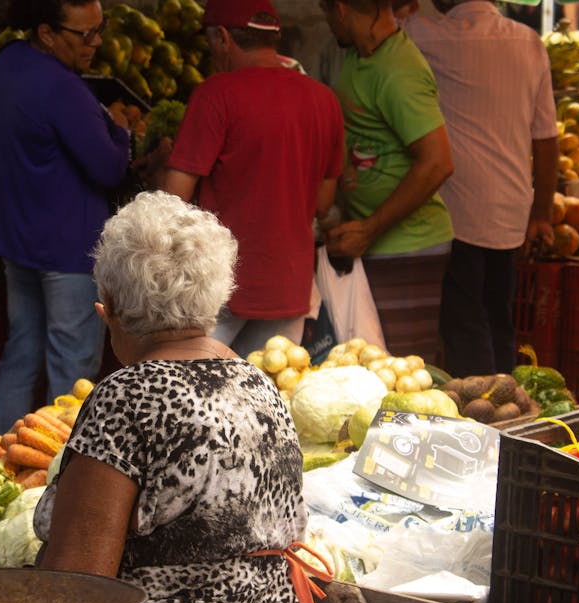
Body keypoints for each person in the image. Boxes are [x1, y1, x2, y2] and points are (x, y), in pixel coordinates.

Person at [36, 191, 328, 603]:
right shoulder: (259, 385)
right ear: (216, 294)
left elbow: (77, 586)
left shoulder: (128, 397)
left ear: (111, 306)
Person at [159, 0, 343, 356]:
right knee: (265, 399)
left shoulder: (216, 94)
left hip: (220, 285)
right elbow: (323, 203)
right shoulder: (325, 100)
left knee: (193, 394)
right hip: (290, 286)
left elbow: (172, 200)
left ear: (223, 38)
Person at [0, 0, 131, 433]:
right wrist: (120, 130)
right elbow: (107, 167)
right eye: (85, 35)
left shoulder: (9, 62)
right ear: (47, 33)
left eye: (99, 30)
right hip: (67, 247)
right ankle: (60, 466)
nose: (96, 43)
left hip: (17, 239)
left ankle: (0, 449)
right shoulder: (62, 88)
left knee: (21, 350)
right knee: (72, 367)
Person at [402, 0, 558, 378]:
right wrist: (541, 214)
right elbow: (547, 139)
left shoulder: (424, 36)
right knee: (499, 319)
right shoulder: (529, 42)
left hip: (460, 213)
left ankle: (481, 419)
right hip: (511, 211)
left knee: (465, 324)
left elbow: (389, 25)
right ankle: (506, 408)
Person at [318, 0, 455, 362]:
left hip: (408, 248)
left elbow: (438, 162)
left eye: (326, 11)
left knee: (402, 373)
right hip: (378, 244)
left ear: (342, 10)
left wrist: (371, 228)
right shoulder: (361, 56)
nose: (327, 22)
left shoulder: (398, 70)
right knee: (375, 366)